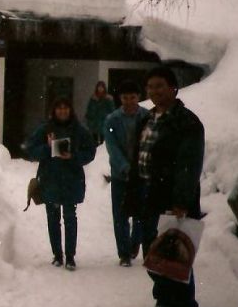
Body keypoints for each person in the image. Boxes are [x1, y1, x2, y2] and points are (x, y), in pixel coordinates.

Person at [131, 65, 205, 307]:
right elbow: (136, 158)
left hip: (173, 199)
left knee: (176, 255)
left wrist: (181, 201)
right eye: (150, 87)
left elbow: (189, 165)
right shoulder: (146, 118)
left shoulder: (187, 122)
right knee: (152, 253)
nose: (154, 92)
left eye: (160, 86)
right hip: (148, 195)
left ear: (173, 88)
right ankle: (164, 302)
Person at [22, 97, 97, 269]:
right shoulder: (45, 129)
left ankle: (70, 256)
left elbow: (90, 152)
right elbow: (30, 151)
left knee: (70, 218)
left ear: (70, 110)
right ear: (54, 110)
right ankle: (57, 255)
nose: (63, 111)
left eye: (66, 108)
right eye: (59, 108)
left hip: (72, 179)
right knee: (53, 218)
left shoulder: (79, 130)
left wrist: (73, 156)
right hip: (50, 179)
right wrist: (48, 148)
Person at [103, 83, 150, 266]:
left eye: (132, 97)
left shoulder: (147, 116)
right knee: (120, 215)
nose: (129, 101)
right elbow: (112, 147)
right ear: (120, 99)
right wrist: (124, 166)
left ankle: (134, 244)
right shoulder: (112, 120)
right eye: (125, 98)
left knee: (141, 214)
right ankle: (124, 253)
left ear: (138, 97)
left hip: (142, 175)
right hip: (120, 176)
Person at [84, 81, 115, 146]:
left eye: (101, 87)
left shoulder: (108, 99)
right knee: (94, 142)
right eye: (99, 87)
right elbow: (89, 111)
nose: (100, 89)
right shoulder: (93, 99)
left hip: (104, 123)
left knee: (104, 142)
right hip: (95, 124)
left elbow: (112, 110)